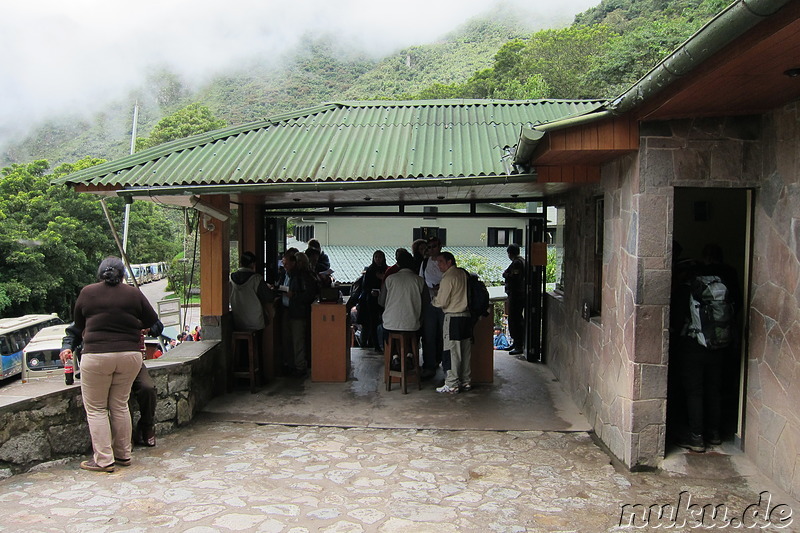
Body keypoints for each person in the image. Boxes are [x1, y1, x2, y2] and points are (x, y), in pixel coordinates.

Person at [59, 257, 158, 472]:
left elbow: (79, 324)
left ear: (100, 273)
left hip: (97, 355)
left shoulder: (87, 292)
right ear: (122, 275)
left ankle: (104, 460)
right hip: (129, 356)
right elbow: (152, 320)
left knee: (96, 409)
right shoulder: (133, 293)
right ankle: (123, 455)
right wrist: (132, 325)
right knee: (120, 405)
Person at [673, 243, 738, 453]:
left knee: (694, 391)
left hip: (693, 347)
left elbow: (675, 320)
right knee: (713, 389)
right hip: (717, 346)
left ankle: (696, 437)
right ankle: (715, 433)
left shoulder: (688, 291)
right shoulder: (722, 286)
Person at [62, 319, 163, 448]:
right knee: (120, 396)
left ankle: (147, 426)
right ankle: (126, 439)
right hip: (101, 361)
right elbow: (73, 332)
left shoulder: (130, 303)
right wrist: (66, 348)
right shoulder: (93, 305)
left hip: (129, 358)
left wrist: (148, 328)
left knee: (147, 388)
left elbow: (156, 324)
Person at [431, 252, 472, 394]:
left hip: (453, 317)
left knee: (452, 351)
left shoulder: (448, 277)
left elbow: (442, 301)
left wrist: (433, 300)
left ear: (449, 262)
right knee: (465, 350)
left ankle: (452, 383)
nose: (438, 265)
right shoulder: (463, 274)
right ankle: (466, 380)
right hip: (467, 316)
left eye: (441, 262)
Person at [378, 249, 424, 368]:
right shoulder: (419, 280)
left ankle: (395, 357)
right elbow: (426, 304)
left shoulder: (390, 279)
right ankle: (409, 355)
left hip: (391, 324)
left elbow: (381, 302)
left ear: (398, 264)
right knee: (414, 331)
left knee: (387, 331)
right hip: (412, 324)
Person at [281, 252, 319, 377]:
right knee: (291, 340)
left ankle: (300, 366)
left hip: (298, 311)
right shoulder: (289, 275)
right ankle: (293, 365)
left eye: (287, 263)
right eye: (283, 263)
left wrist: (294, 296)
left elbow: (309, 295)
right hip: (291, 310)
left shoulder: (302, 276)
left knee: (298, 340)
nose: (284, 266)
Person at [419, 236, 444, 378]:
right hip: (429, 301)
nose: (432, 249)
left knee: (442, 335)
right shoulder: (424, 263)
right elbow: (421, 282)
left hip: (445, 302)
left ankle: (440, 361)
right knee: (428, 334)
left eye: (434, 246)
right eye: (429, 247)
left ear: (440, 246)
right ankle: (429, 365)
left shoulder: (445, 260)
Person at [230, 251, 271, 333]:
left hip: (238, 321)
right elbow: (268, 297)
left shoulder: (231, 277)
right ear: (252, 264)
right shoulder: (256, 279)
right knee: (257, 343)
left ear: (240, 263)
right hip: (256, 322)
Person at [359, 250, 387, 352]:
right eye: (376, 257)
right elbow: (365, 286)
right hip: (372, 300)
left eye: (380, 257)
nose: (378, 259)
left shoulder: (386, 270)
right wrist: (371, 291)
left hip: (384, 299)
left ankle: (385, 344)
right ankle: (375, 345)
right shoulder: (370, 270)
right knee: (373, 322)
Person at [503, 243, 526, 355]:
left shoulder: (517, 263)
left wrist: (506, 275)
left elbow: (515, 277)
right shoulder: (521, 261)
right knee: (515, 319)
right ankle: (516, 342)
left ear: (510, 253)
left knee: (515, 319)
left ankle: (518, 344)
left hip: (516, 295)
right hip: (517, 294)